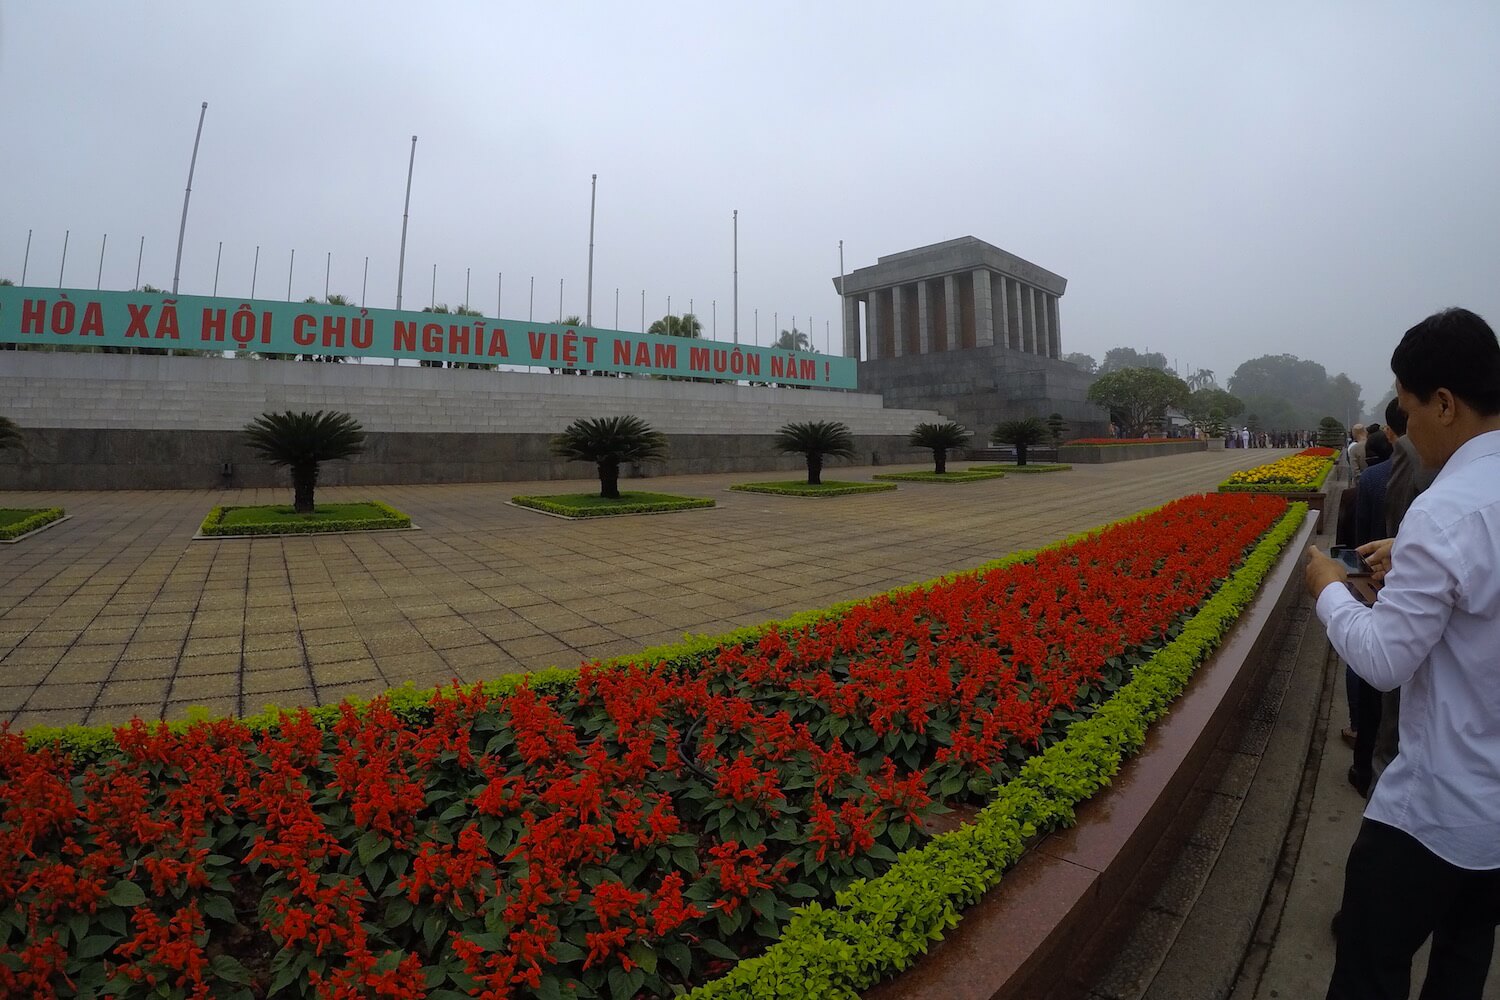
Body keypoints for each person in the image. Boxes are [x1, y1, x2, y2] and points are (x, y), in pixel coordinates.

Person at [1305, 307, 1500, 999]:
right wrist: (1412, 560)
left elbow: (1384, 660)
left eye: (1410, 407)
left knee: (1367, 969)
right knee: (1462, 966)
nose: (1404, 427)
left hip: (1437, 812)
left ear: (1444, 403)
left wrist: (1329, 588)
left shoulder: (1446, 510)